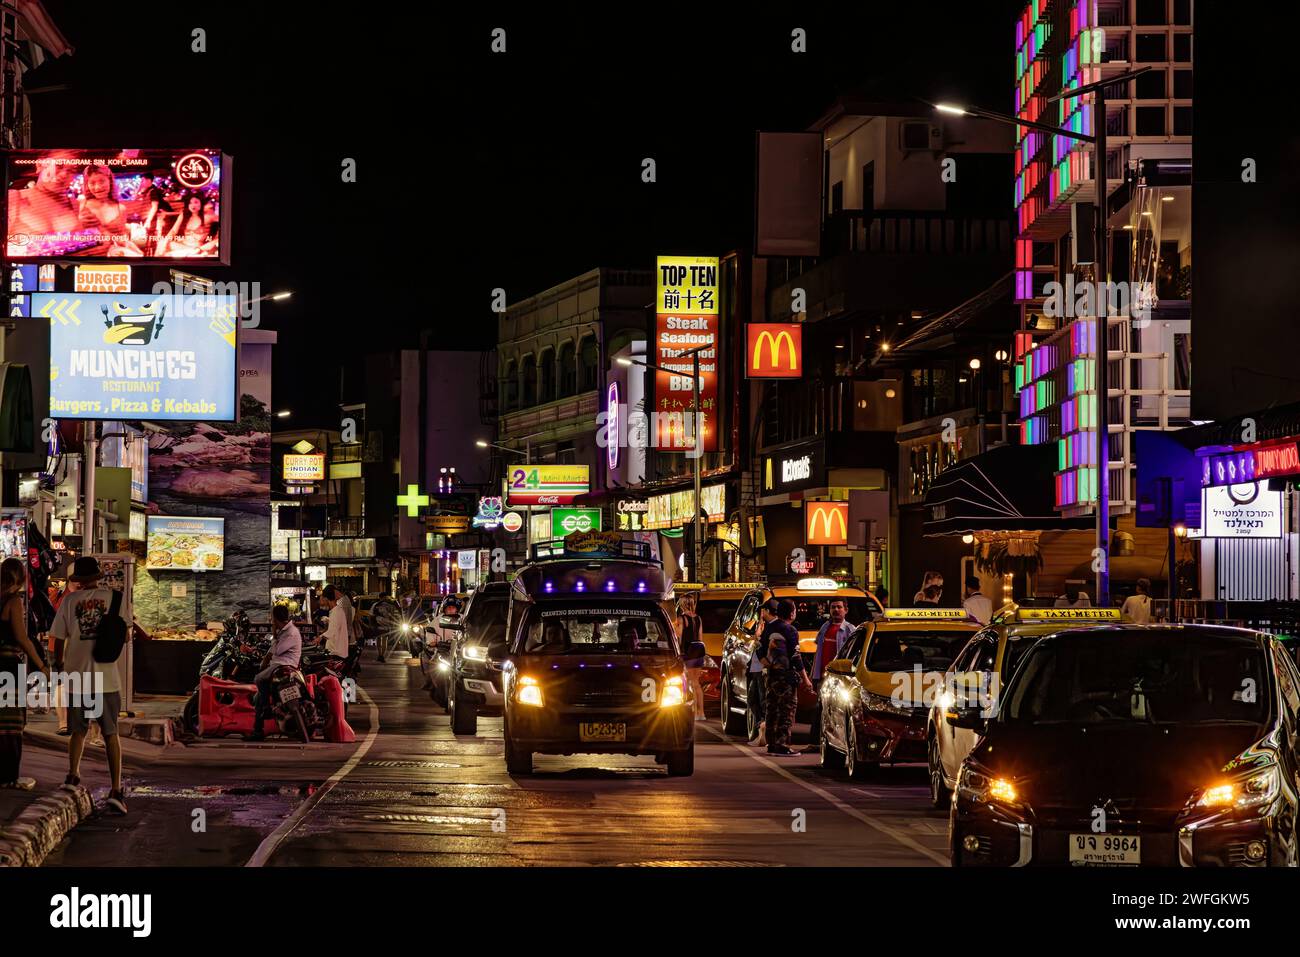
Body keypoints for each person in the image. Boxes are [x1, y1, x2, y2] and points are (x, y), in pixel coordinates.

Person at [49, 558, 130, 815]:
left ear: (78, 580)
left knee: (78, 731)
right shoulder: (115, 598)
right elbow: (125, 635)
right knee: (110, 734)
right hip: (107, 677)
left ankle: (73, 775)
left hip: (77, 676)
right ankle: (116, 789)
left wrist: (58, 664)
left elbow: (58, 637)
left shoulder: (70, 601)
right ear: (98, 576)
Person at [0, 558, 50, 790]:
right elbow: (22, 638)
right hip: (8, 666)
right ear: (20, 578)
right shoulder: (14, 601)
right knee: (12, 723)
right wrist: (41, 665)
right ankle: (9, 775)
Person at [759, 599, 805, 756]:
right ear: (792, 613)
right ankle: (783, 744)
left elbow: (759, 649)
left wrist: (767, 664)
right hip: (786, 676)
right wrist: (805, 678)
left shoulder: (769, 627)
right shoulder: (790, 630)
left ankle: (771, 743)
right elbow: (795, 656)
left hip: (772, 675)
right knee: (786, 709)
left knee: (772, 708)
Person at [250, 604, 302, 742]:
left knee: (258, 679)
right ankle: (258, 729)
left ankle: (266, 708)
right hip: (278, 665)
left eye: (273, 619)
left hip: (284, 666)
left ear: (276, 618)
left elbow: (277, 651)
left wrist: (274, 634)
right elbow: (272, 651)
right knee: (257, 698)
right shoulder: (284, 631)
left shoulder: (290, 632)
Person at [810, 598, 854, 744]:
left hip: (840, 679)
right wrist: (814, 675)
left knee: (839, 711)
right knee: (820, 710)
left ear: (846, 610)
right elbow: (818, 653)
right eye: (833, 607)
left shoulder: (850, 630)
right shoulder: (825, 628)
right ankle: (816, 742)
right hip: (824, 677)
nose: (836, 610)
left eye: (839, 607)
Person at [747, 599, 779, 743]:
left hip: (762, 668)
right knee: (752, 699)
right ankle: (761, 727)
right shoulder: (764, 626)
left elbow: (766, 647)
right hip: (756, 668)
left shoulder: (773, 627)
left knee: (763, 700)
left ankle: (764, 735)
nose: (761, 613)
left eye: (763, 610)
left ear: (767, 611)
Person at [317, 585, 350, 659]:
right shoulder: (335, 611)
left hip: (336, 652)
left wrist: (320, 637)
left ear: (326, 598)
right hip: (336, 650)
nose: (320, 601)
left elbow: (332, 631)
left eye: (322, 597)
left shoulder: (336, 612)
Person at [372, 594, 401, 662]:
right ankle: (382, 655)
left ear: (379, 598)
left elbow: (371, 615)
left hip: (378, 625)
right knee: (385, 640)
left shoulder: (376, 605)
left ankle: (380, 655)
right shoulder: (391, 605)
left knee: (379, 640)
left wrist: (372, 624)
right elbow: (396, 615)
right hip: (387, 626)